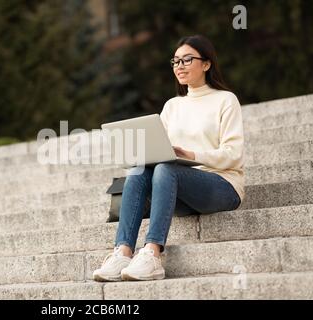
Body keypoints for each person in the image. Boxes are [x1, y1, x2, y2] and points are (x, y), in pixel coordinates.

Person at [93, 34, 245, 282]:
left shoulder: (225, 100)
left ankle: (152, 253)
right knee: (140, 169)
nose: (180, 66)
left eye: (187, 60)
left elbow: (233, 155)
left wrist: (192, 155)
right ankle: (122, 251)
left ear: (206, 64)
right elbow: (158, 151)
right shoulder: (172, 106)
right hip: (179, 190)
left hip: (222, 186)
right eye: (175, 62)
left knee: (166, 169)